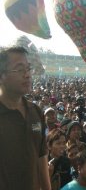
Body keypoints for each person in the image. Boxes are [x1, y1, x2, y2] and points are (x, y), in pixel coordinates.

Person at [0, 46, 51, 190]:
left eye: (28, 69)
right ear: (1, 75)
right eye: (20, 69)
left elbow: (42, 158)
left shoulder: (36, 112)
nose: (27, 75)